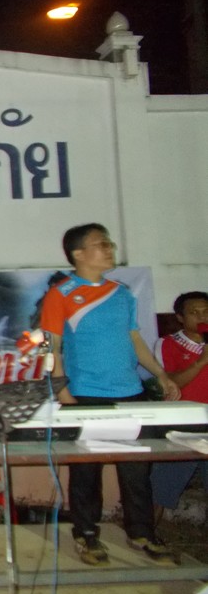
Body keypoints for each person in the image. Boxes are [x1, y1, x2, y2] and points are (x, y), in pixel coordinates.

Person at [40, 222, 180, 566]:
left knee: (136, 470)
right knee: (86, 470)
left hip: (130, 393)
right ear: (78, 254)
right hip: (85, 394)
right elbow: (50, 346)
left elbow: (135, 339)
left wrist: (161, 374)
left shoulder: (121, 293)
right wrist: (62, 390)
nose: (109, 249)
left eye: (109, 243)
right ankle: (86, 534)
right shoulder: (60, 294)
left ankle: (141, 532)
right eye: (101, 244)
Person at [151, 291, 208, 516]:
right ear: (180, 318)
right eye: (194, 312)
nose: (202, 317)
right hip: (182, 425)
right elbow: (171, 382)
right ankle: (146, 532)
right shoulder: (167, 344)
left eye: (206, 312)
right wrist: (201, 362)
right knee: (162, 487)